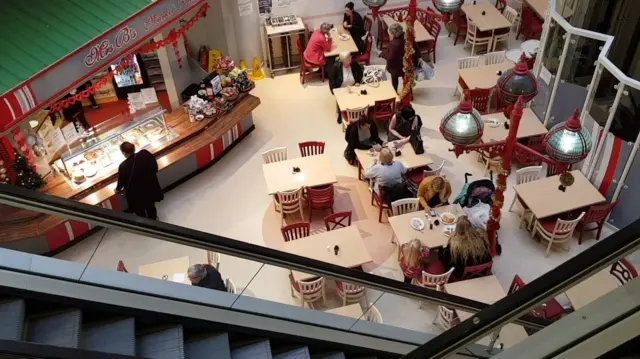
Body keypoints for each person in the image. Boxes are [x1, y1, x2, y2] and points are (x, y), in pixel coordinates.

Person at [115, 142, 163, 219]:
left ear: (124, 153)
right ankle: (153, 221)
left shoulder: (123, 166)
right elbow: (155, 167)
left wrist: (117, 189)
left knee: (140, 210)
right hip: (149, 188)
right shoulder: (145, 153)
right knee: (150, 206)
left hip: (136, 194)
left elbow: (121, 182)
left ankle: (145, 224)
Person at [380, 23, 420, 93]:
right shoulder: (409, 39)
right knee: (407, 80)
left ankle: (395, 92)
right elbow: (417, 51)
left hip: (396, 67)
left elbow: (390, 57)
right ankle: (409, 93)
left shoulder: (394, 44)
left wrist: (383, 54)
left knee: (395, 80)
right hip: (408, 65)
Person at [330, 52, 364, 124]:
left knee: (360, 99)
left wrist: (358, 81)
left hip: (353, 86)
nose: (350, 58)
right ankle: (341, 114)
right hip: (341, 88)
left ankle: (357, 114)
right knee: (342, 101)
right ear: (343, 60)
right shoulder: (336, 67)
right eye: (348, 58)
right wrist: (334, 91)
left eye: (350, 57)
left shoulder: (354, 64)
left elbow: (360, 73)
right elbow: (332, 79)